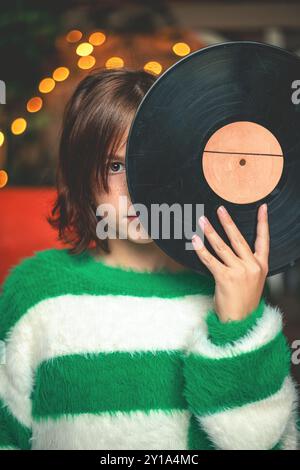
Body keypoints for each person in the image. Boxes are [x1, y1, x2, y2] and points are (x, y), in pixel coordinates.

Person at [0, 67, 299, 450]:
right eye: (115, 166)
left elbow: (272, 443)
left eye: (152, 161)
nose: (136, 187)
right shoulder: (34, 292)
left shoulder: (230, 289)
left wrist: (238, 326)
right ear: (80, 173)